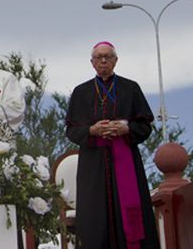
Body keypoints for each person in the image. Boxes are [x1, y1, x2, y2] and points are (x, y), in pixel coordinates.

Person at [66, 41, 160, 249]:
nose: (103, 61)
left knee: (130, 213)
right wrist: (92, 130)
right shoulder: (81, 92)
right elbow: (71, 131)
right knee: (95, 217)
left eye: (108, 57)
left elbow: (145, 127)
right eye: (99, 57)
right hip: (93, 163)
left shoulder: (131, 88)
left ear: (115, 60)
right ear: (92, 63)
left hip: (124, 158)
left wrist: (126, 129)